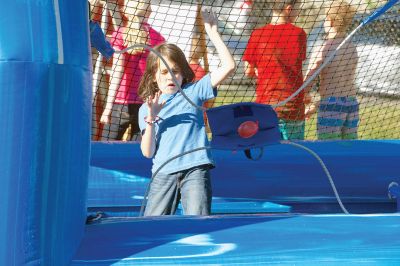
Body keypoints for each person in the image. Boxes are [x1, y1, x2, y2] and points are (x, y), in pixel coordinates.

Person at [137, 8, 235, 216]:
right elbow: (148, 153)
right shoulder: (147, 106)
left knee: (199, 221)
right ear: (154, 76)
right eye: (164, 72)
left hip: (195, 168)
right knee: (152, 225)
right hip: (164, 172)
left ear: (182, 72)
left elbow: (228, 66)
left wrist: (213, 33)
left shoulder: (194, 91)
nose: (170, 77)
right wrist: (151, 119)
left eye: (176, 71)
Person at [100, 0, 165, 141]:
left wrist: (108, 108)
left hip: (120, 103)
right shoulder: (157, 38)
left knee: (107, 145)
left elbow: (117, 72)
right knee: (139, 146)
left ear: (125, 12)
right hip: (146, 102)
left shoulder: (120, 35)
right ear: (148, 12)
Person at [243, 0, 307, 140]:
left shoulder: (257, 35)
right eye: (298, 8)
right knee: (293, 154)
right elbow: (294, 65)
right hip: (293, 108)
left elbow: (248, 71)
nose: (299, 11)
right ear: (288, 9)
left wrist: (261, 72)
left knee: (268, 155)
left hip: (266, 109)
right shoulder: (299, 34)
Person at [304, 0, 358, 140]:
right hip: (351, 104)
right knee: (348, 145)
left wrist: (303, 95)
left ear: (330, 21)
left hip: (331, 105)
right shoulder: (351, 47)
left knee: (328, 146)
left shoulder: (324, 48)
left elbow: (310, 77)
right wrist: (315, 105)